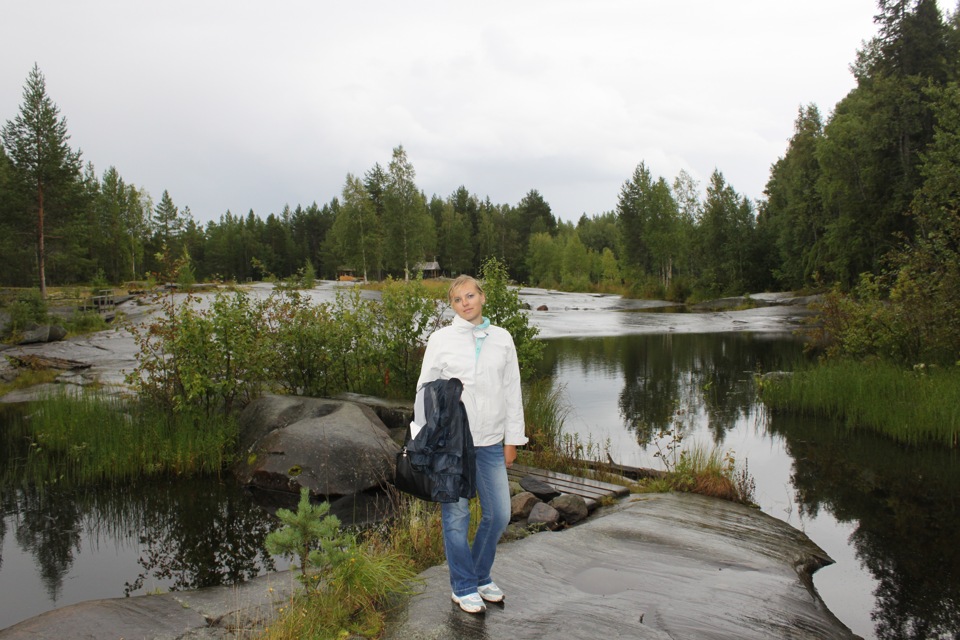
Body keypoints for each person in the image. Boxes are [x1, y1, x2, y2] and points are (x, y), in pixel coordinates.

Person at [415, 274, 527, 614]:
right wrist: (421, 438)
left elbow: (512, 391)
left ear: (482, 297)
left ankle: (479, 575)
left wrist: (513, 439)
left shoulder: (503, 339)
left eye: (470, 296)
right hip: (452, 445)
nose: (465, 303)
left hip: (492, 443)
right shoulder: (441, 339)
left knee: (500, 514)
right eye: (458, 299)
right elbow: (424, 390)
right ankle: (462, 586)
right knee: (456, 517)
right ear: (452, 305)